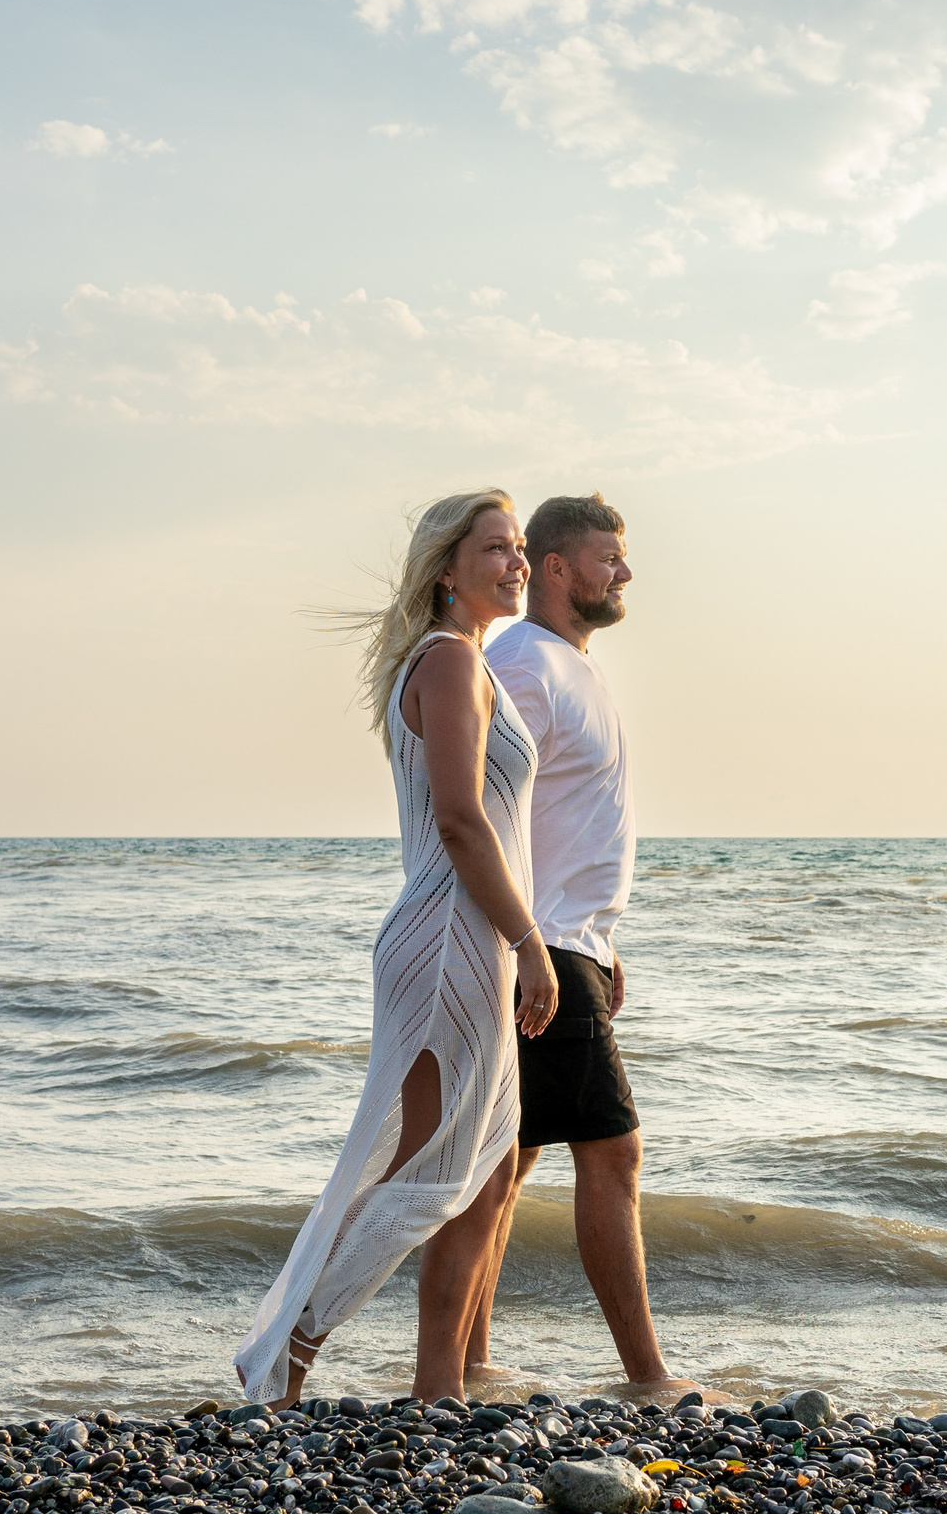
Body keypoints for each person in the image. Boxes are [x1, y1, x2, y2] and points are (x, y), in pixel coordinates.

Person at [232, 489, 561, 1410]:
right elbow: (460, 822)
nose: (516, 562)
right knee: (423, 1173)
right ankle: (285, 1360)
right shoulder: (450, 664)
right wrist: (530, 943)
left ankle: (437, 1388)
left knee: (486, 1172)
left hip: (470, 936)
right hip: (455, 936)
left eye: (521, 547)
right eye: (495, 547)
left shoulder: (471, 665)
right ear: (446, 568)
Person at [465, 492, 692, 1396]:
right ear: (557, 568)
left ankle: (470, 1361)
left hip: (569, 940)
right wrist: (533, 939)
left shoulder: (568, 664)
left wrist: (599, 939)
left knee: (508, 1158)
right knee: (613, 1150)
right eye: (608, 557)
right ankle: (648, 1377)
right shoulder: (524, 660)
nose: (624, 572)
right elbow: (489, 804)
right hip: (542, 944)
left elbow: (560, 816)